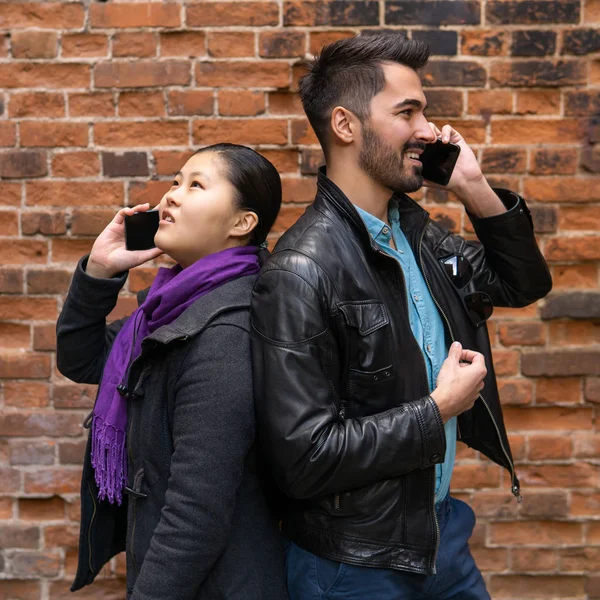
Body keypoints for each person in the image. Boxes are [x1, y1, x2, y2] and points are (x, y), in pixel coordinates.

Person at [250, 33, 552, 599]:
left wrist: (473, 186)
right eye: (406, 112)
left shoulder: (418, 235)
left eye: (425, 111)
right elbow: (305, 458)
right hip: (353, 567)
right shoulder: (300, 270)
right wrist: (439, 409)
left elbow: (522, 281)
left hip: (440, 538)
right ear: (345, 125)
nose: (427, 130)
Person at [57, 144, 288, 600]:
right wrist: (101, 270)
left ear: (243, 223)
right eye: (176, 182)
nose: (172, 197)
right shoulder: (170, 310)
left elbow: (196, 515)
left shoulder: (225, 330)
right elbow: (80, 358)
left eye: (196, 185)